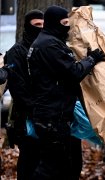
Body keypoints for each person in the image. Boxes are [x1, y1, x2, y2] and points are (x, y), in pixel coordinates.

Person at [26, 5, 105, 180]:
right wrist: (92, 59)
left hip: (53, 114)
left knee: (60, 165)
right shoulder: (49, 45)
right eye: (64, 23)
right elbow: (73, 72)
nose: (67, 27)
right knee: (51, 166)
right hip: (52, 116)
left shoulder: (47, 42)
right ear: (55, 23)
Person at [3, 9, 44, 180]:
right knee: (29, 162)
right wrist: (35, 110)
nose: (41, 29)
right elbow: (18, 89)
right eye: (37, 25)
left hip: (45, 116)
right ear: (28, 26)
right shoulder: (17, 52)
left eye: (44, 25)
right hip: (26, 118)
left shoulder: (46, 48)